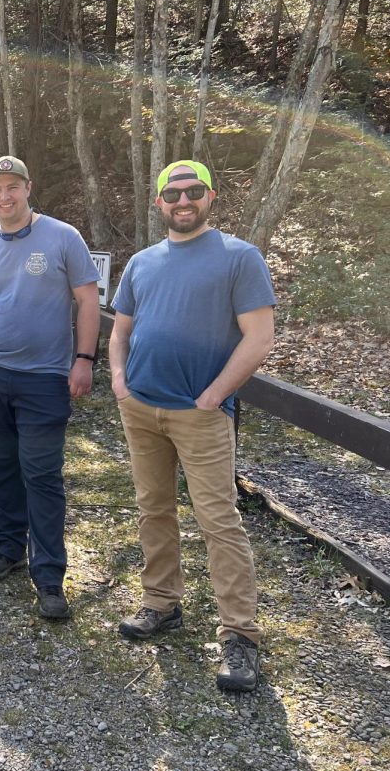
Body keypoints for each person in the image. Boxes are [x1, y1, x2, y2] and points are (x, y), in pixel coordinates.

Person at [109, 159, 275, 692]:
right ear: (159, 203)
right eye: (172, 194)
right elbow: (120, 330)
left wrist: (214, 394)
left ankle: (241, 638)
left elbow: (258, 338)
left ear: (211, 195)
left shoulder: (238, 258)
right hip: (141, 409)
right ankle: (162, 602)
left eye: (193, 191)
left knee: (218, 521)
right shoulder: (142, 262)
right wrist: (118, 378)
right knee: (153, 507)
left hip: (201, 415)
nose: (183, 201)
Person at [0, 155, 99, 620]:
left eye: (13, 187)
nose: (5, 196)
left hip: (45, 379)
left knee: (41, 474)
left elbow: (88, 300)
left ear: (28, 187)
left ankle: (50, 574)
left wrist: (84, 359)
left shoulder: (62, 237)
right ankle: (11, 548)